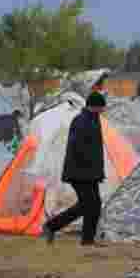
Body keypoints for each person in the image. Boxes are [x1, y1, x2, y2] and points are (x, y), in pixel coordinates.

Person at [44, 92, 107, 245]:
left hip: (90, 172)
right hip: (79, 172)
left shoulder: (93, 119)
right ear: (96, 106)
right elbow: (77, 148)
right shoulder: (81, 121)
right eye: (102, 107)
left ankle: (87, 239)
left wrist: (96, 171)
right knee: (88, 204)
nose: (103, 110)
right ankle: (51, 226)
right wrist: (88, 169)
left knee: (94, 205)